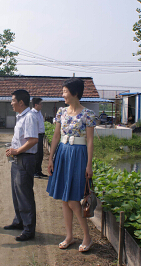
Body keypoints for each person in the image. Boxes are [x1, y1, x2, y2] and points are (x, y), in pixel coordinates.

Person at [46, 78, 96, 252]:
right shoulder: (61, 112)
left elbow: (90, 141)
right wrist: (51, 158)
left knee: (73, 200)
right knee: (64, 199)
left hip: (79, 155)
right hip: (63, 153)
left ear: (75, 93)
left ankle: (87, 238)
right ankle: (69, 236)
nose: (63, 95)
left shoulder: (88, 114)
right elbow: (55, 136)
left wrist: (89, 166)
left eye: (65, 91)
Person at [4, 89, 38, 241]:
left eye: (12, 101)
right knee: (16, 192)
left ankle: (29, 230)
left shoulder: (29, 117)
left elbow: (33, 140)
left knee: (24, 195)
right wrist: (13, 150)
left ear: (21, 102)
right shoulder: (21, 117)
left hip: (25, 159)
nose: (11, 103)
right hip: (18, 158)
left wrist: (16, 150)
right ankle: (19, 221)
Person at [31, 98, 47, 178]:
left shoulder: (39, 112)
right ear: (36, 105)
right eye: (41, 104)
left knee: (40, 154)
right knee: (36, 154)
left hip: (41, 135)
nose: (42, 105)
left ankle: (39, 171)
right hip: (36, 135)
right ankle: (34, 172)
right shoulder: (32, 114)